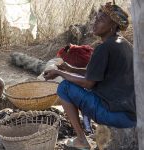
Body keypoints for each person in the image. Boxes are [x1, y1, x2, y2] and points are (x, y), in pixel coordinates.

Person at [44, 2, 136, 149]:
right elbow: (93, 73)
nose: (96, 21)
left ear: (113, 26)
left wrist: (59, 72)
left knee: (64, 88)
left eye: (102, 19)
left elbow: (88, 83)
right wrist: (69, 68)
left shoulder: (104, 48)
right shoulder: (123, 44)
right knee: (76, 85)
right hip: (130, 115)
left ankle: (81, 139)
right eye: (97, 17)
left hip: (115, 115)